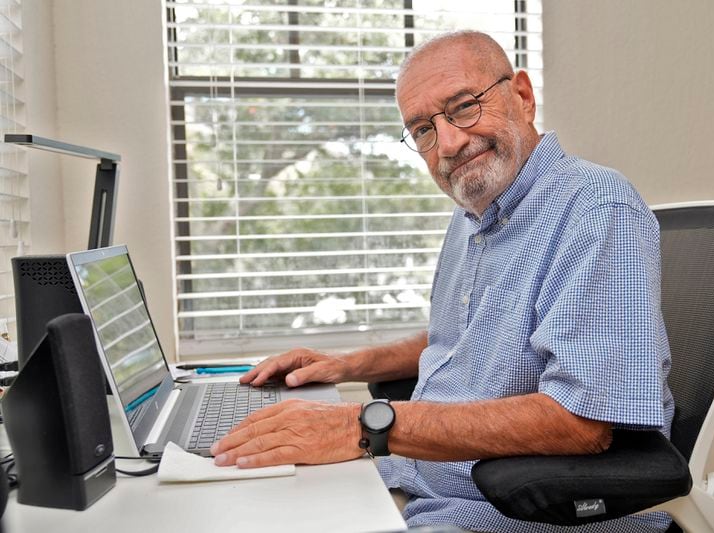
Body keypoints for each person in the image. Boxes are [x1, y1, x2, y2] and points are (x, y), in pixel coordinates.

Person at [210, 31, 674, 533]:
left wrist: (362, 426)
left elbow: (582, 423)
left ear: (522, 96)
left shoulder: (597, 212)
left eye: (464, 107)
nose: (449, 142)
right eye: (423, 129)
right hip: (414, 476)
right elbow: (464, 342)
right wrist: (348, 364)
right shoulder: (475, 210)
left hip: (500, 511)